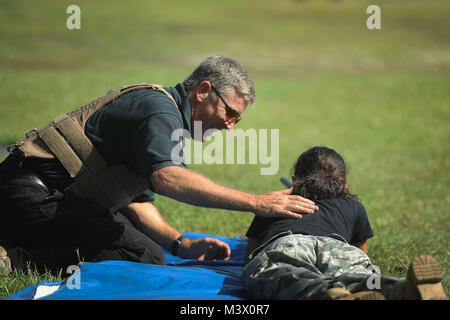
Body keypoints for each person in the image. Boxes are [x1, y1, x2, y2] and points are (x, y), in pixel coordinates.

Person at [0, 56, 318, 274]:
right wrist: (256, 203)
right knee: (141, 255)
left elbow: (135, 201)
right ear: (204, 90)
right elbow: (168, 178)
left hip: (49, 198)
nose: (230, 126)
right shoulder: (159, 111)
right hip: (32, 196)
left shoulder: (168, 116)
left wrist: (180, 243)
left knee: (150, 252)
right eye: (230, 114)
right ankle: (15, 258)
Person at [243, 146, 447, 300]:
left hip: (289, 244)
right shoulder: (353, 207)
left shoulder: (273, 204)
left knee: (281, 273)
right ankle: (401, 288)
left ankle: (326, 292)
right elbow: (362, 254)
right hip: (338, 246)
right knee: (362, 276)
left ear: (295, 180)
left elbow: (251, 255)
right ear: (344, 185)